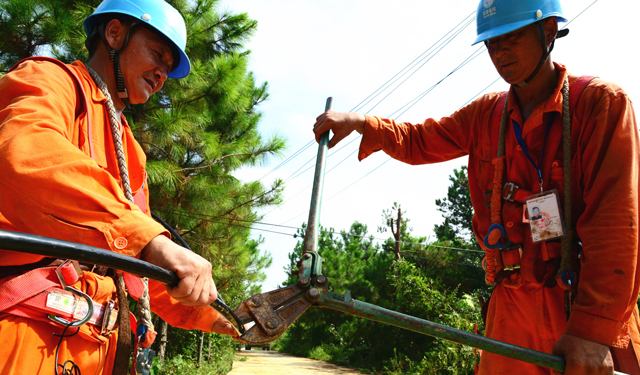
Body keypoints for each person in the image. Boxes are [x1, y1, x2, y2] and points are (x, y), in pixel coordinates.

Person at [312, 0, 640, 374]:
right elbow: (420, 140)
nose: (499, 52)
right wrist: (360, 122)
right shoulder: (487, 114)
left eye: (511, 37)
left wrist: (593, 331)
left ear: (549, 31)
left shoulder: (599, 104)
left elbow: (617, 224)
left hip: (578, 305)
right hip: (509, 307)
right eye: (491, 43)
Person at [0, 0, 237, 374]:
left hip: (103, 351)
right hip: (26, 336)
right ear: (114, 34)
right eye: (157, 54)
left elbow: (136, 264)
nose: (162, 73)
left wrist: (218, 317)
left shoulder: (131, 151)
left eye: (169, 68)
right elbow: (27, 153)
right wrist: (150, 241)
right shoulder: (51, 80)